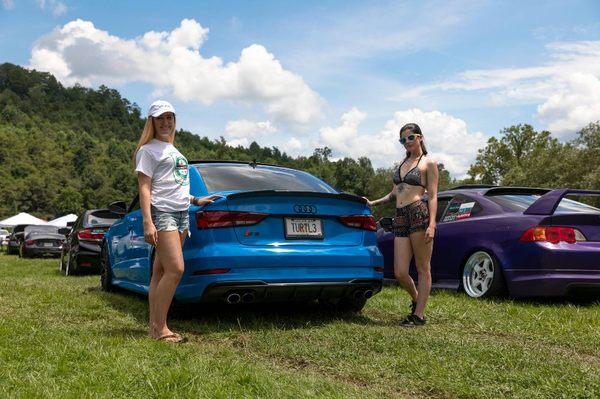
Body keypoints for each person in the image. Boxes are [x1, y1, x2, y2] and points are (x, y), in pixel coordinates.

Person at [133, 100, 218, 342]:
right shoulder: (147, 150)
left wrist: (196, 200)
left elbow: (175, 185)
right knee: (176, 269)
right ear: (151, 121)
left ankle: (153, 327)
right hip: (164, 214)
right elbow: (145, 187)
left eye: (169, 118)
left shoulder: (174, 150)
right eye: (160, 118)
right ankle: (161, 329)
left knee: (160, 271)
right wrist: (148, 222)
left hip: (182, 214)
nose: (165, 123)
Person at [365, 123, 438, 326]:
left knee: (423, 268)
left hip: (418, 214)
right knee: (400, 272)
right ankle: (417, 301)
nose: (406, 142)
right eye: (402, 140)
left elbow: (432, 196)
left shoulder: (428, 163)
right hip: (400, 216)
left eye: (410, 137)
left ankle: (419, 316)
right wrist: (373, 203)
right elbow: (394, 193)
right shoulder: (402, 162)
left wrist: (432, 224)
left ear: (420, 137)